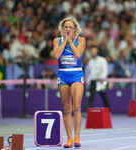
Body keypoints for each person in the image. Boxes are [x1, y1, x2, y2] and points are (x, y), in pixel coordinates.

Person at [52, 16, 85, 148]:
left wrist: (70, 41)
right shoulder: (57, 40)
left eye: (70, 27)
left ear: (75, 29)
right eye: (65, 27)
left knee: (76, 107)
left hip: (76, 74)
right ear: (62, 28)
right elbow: (56, 56)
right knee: (66, 109)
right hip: (63, 75)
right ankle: (69, 138)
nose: (67, 29)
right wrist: (64, 40)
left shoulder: (81, 40)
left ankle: (77, 137)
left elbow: (77, 55)